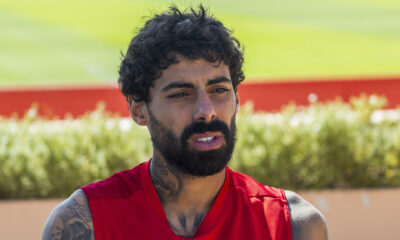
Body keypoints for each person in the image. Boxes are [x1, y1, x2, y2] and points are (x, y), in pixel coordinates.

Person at [42, 5, 327, 240]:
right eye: (180, 94)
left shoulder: (293, 226)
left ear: (237, 100)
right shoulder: (85, 223)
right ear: (138, 110)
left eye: (219, 90)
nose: (206, 111)